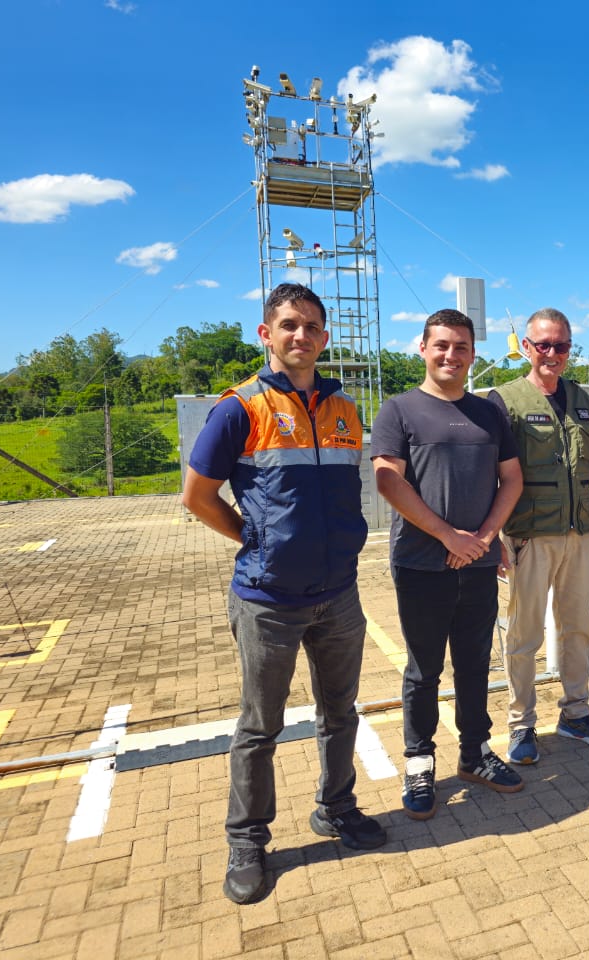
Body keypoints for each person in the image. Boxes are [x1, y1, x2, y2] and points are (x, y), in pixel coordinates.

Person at [182, 283, 385, 906]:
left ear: (325, 338)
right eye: (289, 325)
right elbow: (196, 496)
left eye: (312, 326)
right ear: (266, 334)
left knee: (340, 713)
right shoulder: (238, 409)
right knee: (259, 726)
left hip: (339, 593)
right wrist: (254, 540)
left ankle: (336, 807)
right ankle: (247, 841)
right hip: (268, 598)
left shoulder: (345, 409)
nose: (302, 336)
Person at [371, 309, 526, 821]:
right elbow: (389, 482)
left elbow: (513, 482)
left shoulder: (489, 414)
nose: (450, 355)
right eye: (441, 345)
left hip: (477, 564)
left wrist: (482, 539)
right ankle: (419, 761)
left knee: (475, 663)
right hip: (420, 565)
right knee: (423, 670)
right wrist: (448, 536)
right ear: (422, 348)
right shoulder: (398, 410)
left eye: (461, 347)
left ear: (472, 354)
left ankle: (475, 753)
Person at [487, 308, 589, 765]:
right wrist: (494, 537)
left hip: (579, 534)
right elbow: (491, 474)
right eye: (542, 344)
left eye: (560, 345)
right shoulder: (503, 401)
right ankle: (521, 725)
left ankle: (576, 713)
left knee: (579, 627)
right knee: (524, 634)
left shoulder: (585, 401)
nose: (552, 353)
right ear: (526, 346)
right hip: (527, 534)